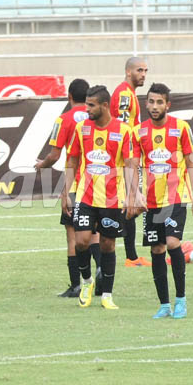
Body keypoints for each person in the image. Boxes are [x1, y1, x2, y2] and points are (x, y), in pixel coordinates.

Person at [62, 85, 139, 310]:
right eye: (86, 104)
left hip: (113, 198)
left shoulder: (123, 131)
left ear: (105, 106)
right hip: (85, 195)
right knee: (81, 241)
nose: (86, 109)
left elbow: (130, 165)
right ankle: (87, 282)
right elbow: (72, 160)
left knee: (107, 245)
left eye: (91, 105)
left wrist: (132, 195)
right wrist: (66, 192)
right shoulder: (82, 128)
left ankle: (107, 294)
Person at [133, 83, 193, 319]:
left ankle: (181, 300)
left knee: (173, 243)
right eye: (151, 102)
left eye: (159, 102)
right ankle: (164, 305)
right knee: (157, 248)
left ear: (168, 105)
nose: (155, 106)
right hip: (151, 201)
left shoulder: (181, 128)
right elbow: (132, 166)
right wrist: (135, 193)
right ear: (146, 103)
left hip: (176, 197)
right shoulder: (139, 132)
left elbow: (192, 164)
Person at [35, 78, 102, 298]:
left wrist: (42, 165)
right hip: (97, 182)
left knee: (73, 235)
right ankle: (101, 271)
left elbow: (54, 155)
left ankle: (77, 285)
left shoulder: (64, 119)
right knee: (94, 233)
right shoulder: (97, 117)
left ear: (69, 96)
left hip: (76, 183)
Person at [111, 57, 150, 268]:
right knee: (132, 202)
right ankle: (131, 257)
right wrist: (129, 158)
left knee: (132, 203)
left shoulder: (129, 93)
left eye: (145, 71)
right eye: (139, 70)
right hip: (126, 158)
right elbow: (122, 127)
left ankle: (131, 256)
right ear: (128, 71)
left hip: (129, 156)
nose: (143, 74)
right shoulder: (125, 94)